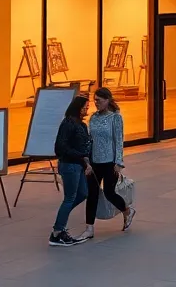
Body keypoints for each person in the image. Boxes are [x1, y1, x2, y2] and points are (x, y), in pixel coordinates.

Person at [83, 87, 135, 238]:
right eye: (95, 101)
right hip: (94, 161)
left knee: (109, 192)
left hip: (109, 161)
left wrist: (119, 161)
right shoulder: (93, 117)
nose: (96, 103)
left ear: (107, 100)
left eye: (99, 100)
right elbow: (90, 140)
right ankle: (89, 228)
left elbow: (119, 140)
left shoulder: (115, 118)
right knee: (92, 193)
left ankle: (127, 210)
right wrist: (87, 160)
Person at [50, 95, 95, 246]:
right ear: (77, 107)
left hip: (79, 165)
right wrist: (81, 156)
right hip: (70, 165)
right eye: (84, 107)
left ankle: (62, 219)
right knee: (69, 198)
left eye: (87, 108)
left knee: (83, 193)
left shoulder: (81, 124)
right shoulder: (68, 123)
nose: (86, 110)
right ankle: (57, 232)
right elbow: (61, 147)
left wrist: (86, 160)